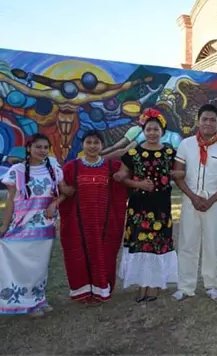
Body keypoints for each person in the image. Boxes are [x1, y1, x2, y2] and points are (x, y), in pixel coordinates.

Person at [0, 133, 68, 316]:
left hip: (44, 226)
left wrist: (54, 204)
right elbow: (10, 200)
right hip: (21, 225)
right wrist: (5, 225)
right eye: (38, 147)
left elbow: (64, 191)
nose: (42, 150)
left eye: (45, 147)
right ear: (29, 148)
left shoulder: (53, 167)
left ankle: (38, 299)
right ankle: (25, 303)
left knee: (40, 266)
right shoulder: (16, 170)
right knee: (23, 265)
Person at [172, 104, 217, 301]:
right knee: (187, 243)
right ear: (198, 122)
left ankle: (212, 285)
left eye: (212, 120)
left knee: (213, 243)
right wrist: (193, 197)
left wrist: (211, 200)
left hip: (214, 202)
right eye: (204, 119)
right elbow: (178, 174)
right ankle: (185, 287)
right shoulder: (186, 144)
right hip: (190, 200)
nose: (208, 123)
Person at [58, 130, 129, 304]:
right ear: (82, 145)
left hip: (104, 223)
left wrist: (123, 172)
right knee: (78, 255)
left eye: (96, 142)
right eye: (88, 142)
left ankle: (101, 289)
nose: (92, 146)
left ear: (102, 145)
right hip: (78, 223)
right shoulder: (72, 167)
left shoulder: (111, 167)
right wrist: (62, 190)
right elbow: (59, 185)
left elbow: (128, 170)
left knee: (104, 254)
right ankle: (82, 291)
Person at [116, 108, 179, 303]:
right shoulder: (133, 153)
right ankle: (142, 284)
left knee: (157, 244)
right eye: (148, 129)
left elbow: (180, 173)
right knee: (140, 243)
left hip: (160, 207)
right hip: (138, 206)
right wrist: (138, 184)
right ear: (143, 131)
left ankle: (154, 285)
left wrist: (176, 175)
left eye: (156, 129)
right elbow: (122, 177)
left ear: (162, 131)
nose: (152, 133)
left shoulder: (169, 153)